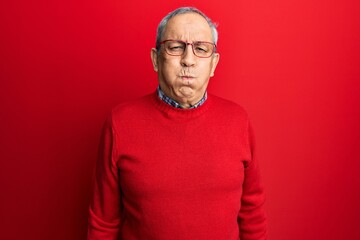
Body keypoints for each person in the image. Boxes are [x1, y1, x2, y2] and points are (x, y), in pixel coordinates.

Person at [87, 7, 267, 240]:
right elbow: (103, 222)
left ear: (213, 64)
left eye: (201, 49)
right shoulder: (120, 123)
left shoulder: (238, 121)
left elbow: (252, 214)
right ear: (155, 59)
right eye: (175, 47)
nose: (188, 60)